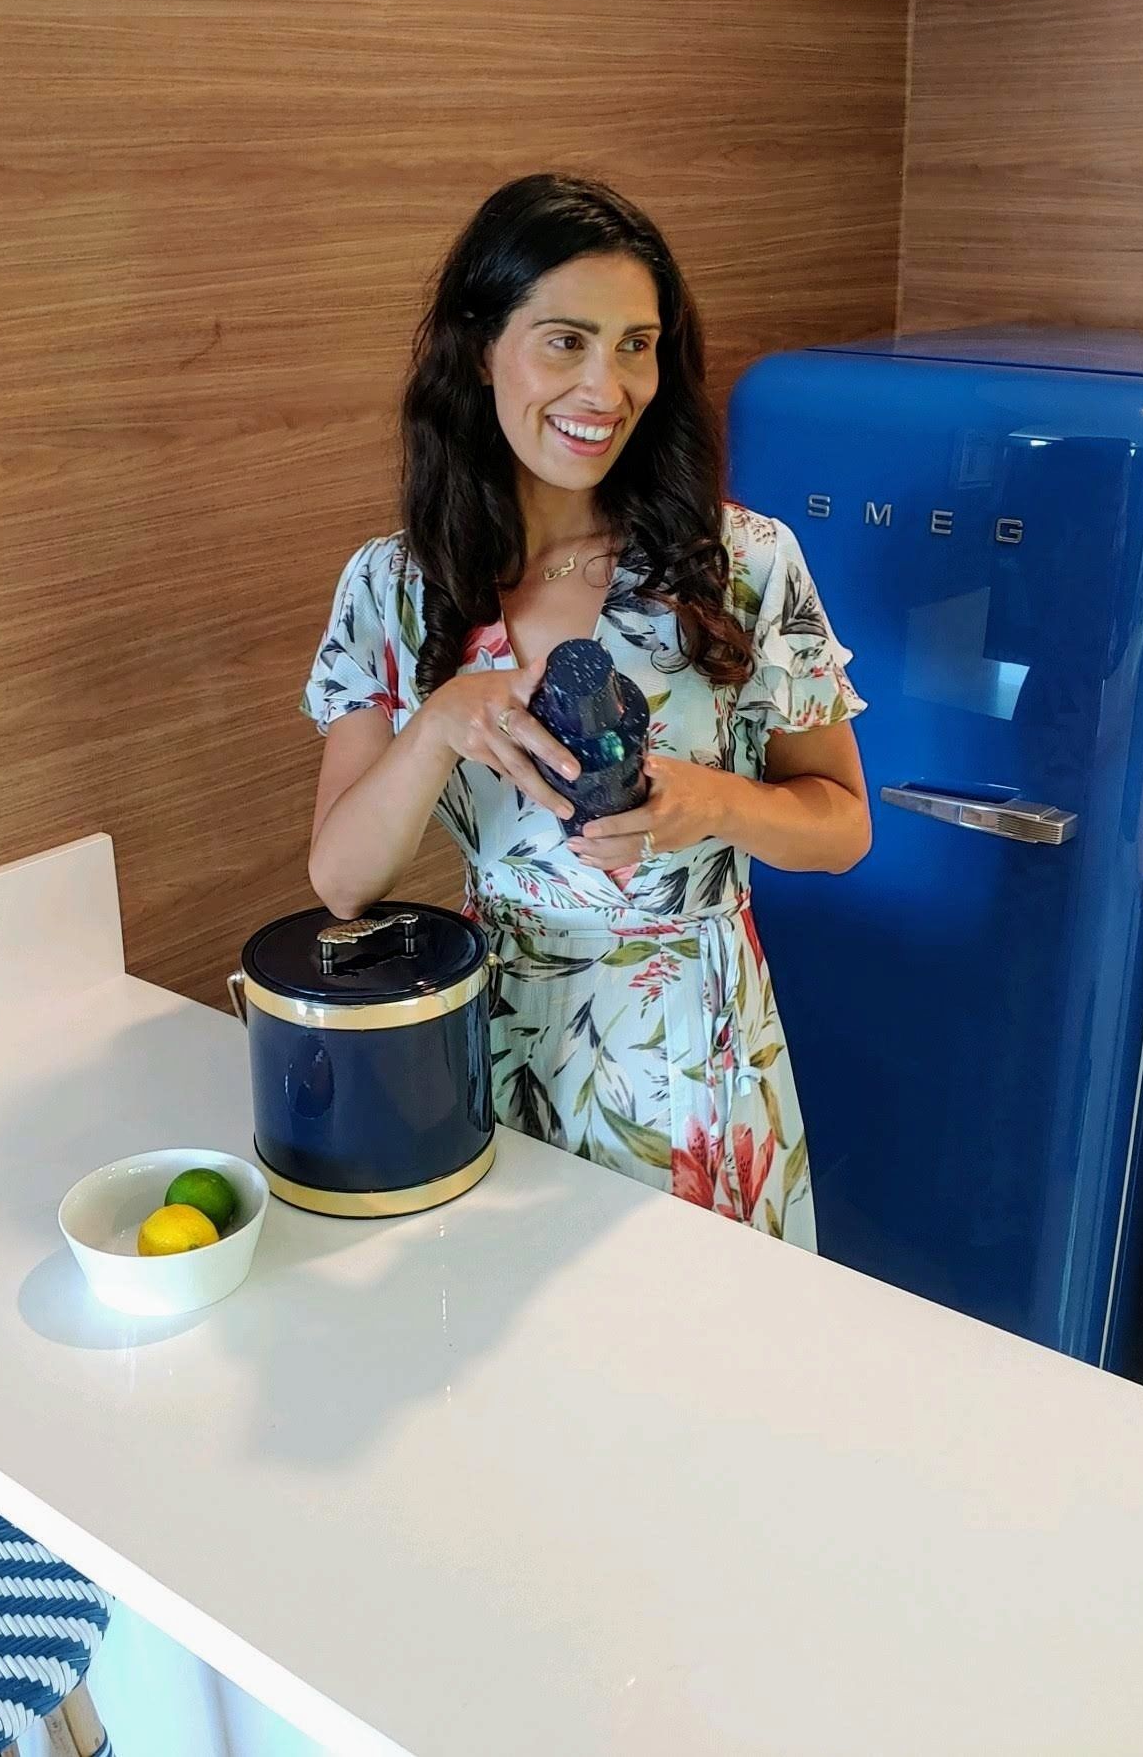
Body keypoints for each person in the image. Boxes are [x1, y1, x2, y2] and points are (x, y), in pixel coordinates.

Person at [301, 173, 869, 1246]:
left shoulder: (744, 564)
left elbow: (842, 828)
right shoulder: (394, 586)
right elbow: (341, 882)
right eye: (565, 341)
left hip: (692, 1054)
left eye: (636, 345)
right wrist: (438, 726)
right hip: (495, 1037)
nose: (605, 387)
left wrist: (709, 802)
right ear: (482, 351)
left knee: (696, 1375)